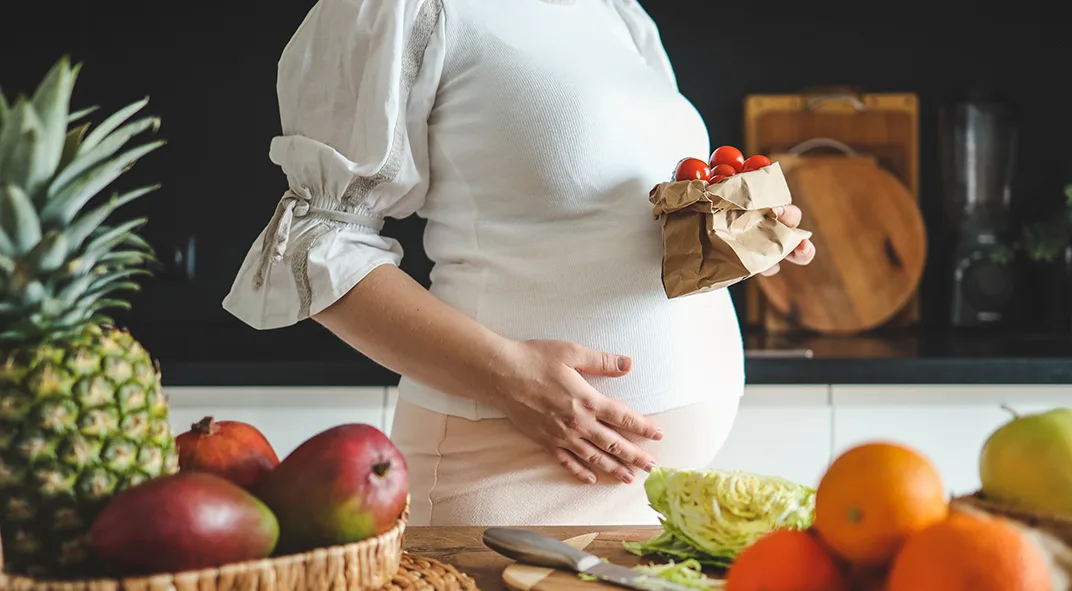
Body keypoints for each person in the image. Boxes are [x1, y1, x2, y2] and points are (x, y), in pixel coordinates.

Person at [223, 0, 816, 527]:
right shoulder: (399, 6)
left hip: (660, 494)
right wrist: (508, 376)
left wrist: (734, 236)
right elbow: (319, 241)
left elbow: (613, 221)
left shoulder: (617, 14)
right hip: (510, 483)